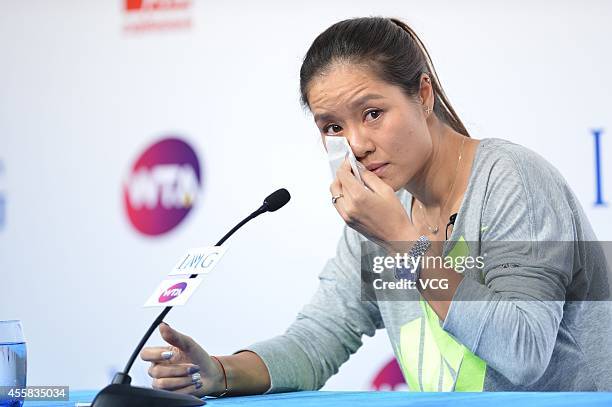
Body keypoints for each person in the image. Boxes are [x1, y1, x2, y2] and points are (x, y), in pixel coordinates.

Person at [139, 16, 612, 394]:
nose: (358, 144)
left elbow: (525, 352)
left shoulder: (510, 179)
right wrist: (220, 372)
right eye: (333, 127)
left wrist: (403, 244)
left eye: (372, 113)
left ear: (423, 95)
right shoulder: (385, 207)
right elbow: (317, 340)